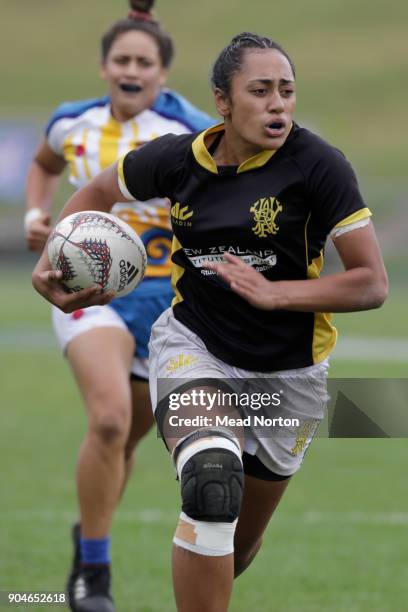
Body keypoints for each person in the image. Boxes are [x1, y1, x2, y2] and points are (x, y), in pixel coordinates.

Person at [32, 32, 388, 612]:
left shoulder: (318, 165)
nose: (278, 104)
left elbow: (371, 282)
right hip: (195, 346)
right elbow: (97, 189)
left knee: (238, 546)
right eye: (261, 91)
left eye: (287, 91)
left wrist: (277, 296)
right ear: (223, 101)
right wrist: (53, 257)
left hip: (289, 377)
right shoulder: (177, 159)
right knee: (211, 483)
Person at [25, 2, 214, 611]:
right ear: (105, 66)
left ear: (163, 73)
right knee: (107, 421)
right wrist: (37, 212)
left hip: (165, 303)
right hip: (85, 294)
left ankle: (89, 539)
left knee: (126, 442)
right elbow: (44, 163)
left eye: (145, 60)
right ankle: (94, 578)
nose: (131, 69)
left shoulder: (190, 127)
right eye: (122, 58)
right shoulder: (72, 122)